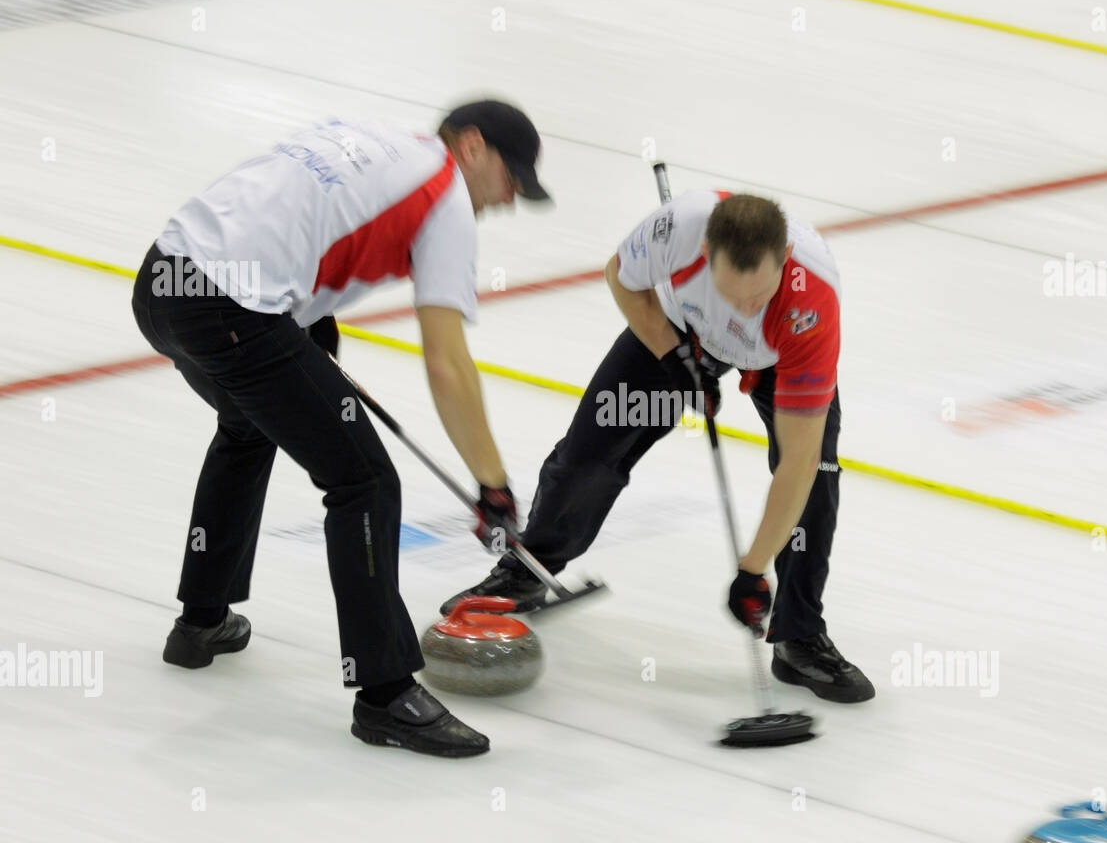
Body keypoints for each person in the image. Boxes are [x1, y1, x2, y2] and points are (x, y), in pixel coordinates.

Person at [130, 100, 549, 756]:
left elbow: (281, 216)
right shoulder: (445, 198)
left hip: (162, 280)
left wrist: (304, 325)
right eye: (511, 176)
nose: (511, 196)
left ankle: (201, 623)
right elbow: (448, 364)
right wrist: (492, 486)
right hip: (230, 311)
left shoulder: (368, 135)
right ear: (471, 146)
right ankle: (385, 694)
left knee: (247, 424)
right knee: (364, 482)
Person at [443, 190, 873, 702]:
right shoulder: (677, 230)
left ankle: (799, 635)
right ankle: (529, 570)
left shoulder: (810, 305)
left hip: (777, 357)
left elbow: (797, 466)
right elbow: (620, 279)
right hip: (679, 332)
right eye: (732, 294)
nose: (744, 307)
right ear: (706, 251)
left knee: (817, 481)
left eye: (758, 296)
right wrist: (672, 359)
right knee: (588, 452)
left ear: (784, 260)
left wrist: (752, 570)